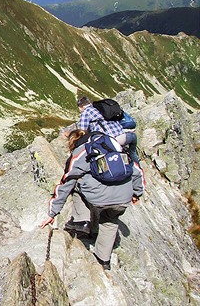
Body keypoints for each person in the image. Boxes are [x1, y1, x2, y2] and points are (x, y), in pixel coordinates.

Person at [40, 129, 146, 270]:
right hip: (123, 198)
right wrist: (137, 193)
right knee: (110, 221)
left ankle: (81, 221)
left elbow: (66, 182)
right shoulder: (114, 145)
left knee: (76, 185)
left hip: (99, 198)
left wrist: (52, 213)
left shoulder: (82, 152)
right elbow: (137, 170)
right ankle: (103, 261)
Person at [76, 96, 139, 165]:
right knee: (132, 153)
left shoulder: (86, 112)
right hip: (128, 135)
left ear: (80, 106)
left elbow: (82, 131)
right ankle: (138, 169)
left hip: (114, 140)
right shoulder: (100, 107)